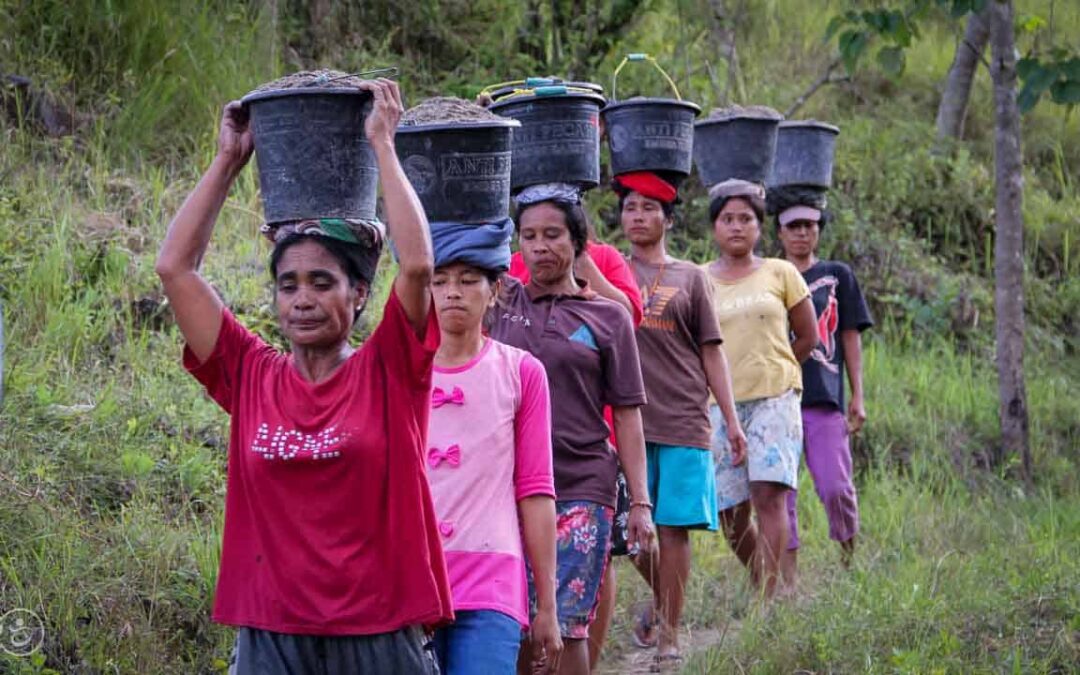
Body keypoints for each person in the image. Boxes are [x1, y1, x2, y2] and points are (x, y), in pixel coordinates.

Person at [156, 79, 451, 674]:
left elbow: (418, 265)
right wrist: (227, 160)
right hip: (272, 632)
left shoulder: (390, 369)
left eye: (323, 283)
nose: (302, 300)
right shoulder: (249, 373)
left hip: (378, 632)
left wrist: (382, 146)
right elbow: (174, 267)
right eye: (288, 285)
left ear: (360, 294)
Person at [492, 183, 656, 675]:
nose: (540, 246)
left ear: (579, 242)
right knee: (515, 620)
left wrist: (641, 504)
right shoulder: (500, 305)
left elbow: (627, 414)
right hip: (507, 490)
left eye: (553, 235)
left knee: (567, 625)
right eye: (529, 235)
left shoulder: (608, 318)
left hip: (582, 487)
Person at [613, 172, 746, 670]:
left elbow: (712, 353)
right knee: (629, 536)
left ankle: (669, 636)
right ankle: (665, 598)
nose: (639, 217)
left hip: (685, 418)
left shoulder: (691, 277)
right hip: (624, 423)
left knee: (673, 531)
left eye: (649, 208)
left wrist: (730, 421)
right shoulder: (607, 268)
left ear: (668, 219)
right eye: (630, 208)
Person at [424, 220, 564, 673]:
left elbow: (536, 489)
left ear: (496, 288)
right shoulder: (398, 372)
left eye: (467, 281)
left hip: (492, 583)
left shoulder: (521, 372)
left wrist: (547, 604)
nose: (453, 293)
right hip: (412, 578)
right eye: (440, 280)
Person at [700, 179, 818, 599]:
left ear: (759, 226)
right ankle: (762, 579)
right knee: (730, 511)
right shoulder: (699, 280)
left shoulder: (780, 272)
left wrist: (777, 371)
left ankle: (769, 600)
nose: (736, 226)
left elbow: (808, 335)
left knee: (769, 495)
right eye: (727, 219)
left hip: (775, 398)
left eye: (745, 219)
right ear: (714, 226)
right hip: (718, 406)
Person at [771, 188, 872, 584]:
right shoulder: (769, 275)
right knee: (783, 493)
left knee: (836, 487)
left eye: (808, 226)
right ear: (779, 232)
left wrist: (858, 395)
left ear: (819, 230)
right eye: (792, 226)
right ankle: (789, 584)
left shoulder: (836, 275)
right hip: (777, 399)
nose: (801, 233)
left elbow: (849, 336)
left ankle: (849, 558)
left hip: (824, 399)